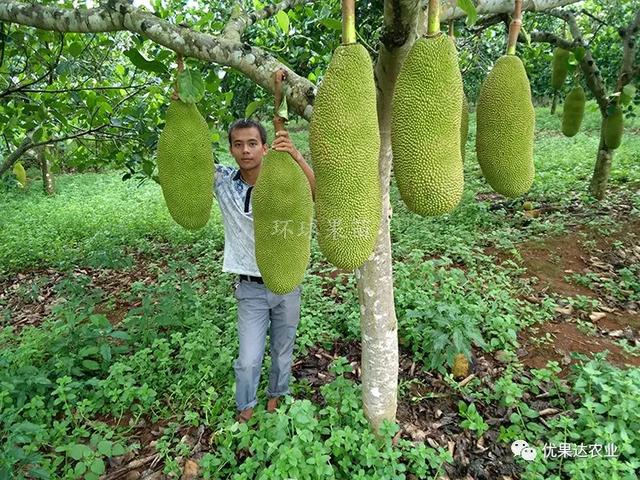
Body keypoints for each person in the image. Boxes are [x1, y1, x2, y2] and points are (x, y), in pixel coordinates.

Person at [214, 119, 316, 423]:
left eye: (252, 143)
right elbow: (187, 164)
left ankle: (277, 396)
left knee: (283, 350)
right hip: (251, 287)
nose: (245, 150)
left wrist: (296, 156)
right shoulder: (223, 182)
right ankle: (246, 404)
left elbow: (319, 193)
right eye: (238, 144)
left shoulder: (289, 178)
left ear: (265, 147)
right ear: (231, 149)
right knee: (248, 359)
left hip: (288, 285)